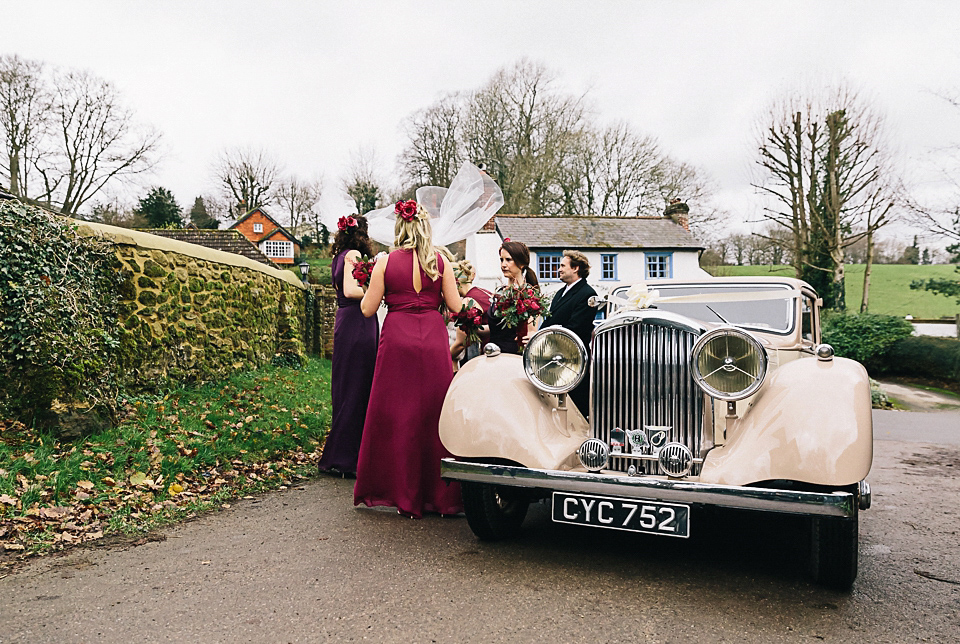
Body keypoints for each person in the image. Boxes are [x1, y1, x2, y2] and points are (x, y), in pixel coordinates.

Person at [353, 199, 463, 518]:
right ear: (426, 228)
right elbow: (455, 307)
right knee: (434, 415)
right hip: (431, 337)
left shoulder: (385, 262)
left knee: (397, 416)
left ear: (400, 228)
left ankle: (402, 495)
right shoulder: (441, 262)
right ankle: (440, 497)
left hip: (398, 339)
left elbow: (367, 309)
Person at [318, 215, 378, 477]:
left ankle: (342, 454)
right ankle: (346, 459)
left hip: (347, 321)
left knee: (347, 385)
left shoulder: (339, 255)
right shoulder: (353, 253)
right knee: (357, 386)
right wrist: (378, 290)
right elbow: (351, 290)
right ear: (361, 234)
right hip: (357, 320)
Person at [541, 250, 597, 417]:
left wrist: (547, 335)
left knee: (576, 405)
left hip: (573, 359)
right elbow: (551, 320)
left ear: (576, 268)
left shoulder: (588, 294)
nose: (558, 269)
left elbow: (577, 327)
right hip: (555, 356)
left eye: (562, 266)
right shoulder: (560, 293)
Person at [487, 239, 541, 355]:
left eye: (508, 260)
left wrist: (530, 336)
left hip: (514, 355)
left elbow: (531, 329)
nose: (503, 264)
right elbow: (496, 328)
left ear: (521, 264)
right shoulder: (500, 292)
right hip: (493, 352)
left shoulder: (529, 294)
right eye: (501, 260)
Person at [449, 259, 492, 365]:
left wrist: (443, 359)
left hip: (490, 353)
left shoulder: (467, 303)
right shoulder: (484, 291)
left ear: (455, 283)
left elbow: (460, 343)